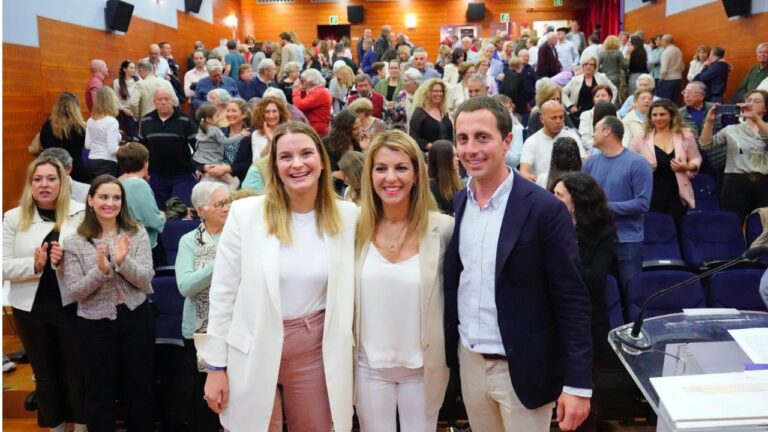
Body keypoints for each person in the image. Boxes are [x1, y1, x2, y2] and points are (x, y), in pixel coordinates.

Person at [197, 121, 358, 432]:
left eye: (306, 153)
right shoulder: (245, 215)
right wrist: (215, 367)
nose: (297, 164)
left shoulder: (349, 217)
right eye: (286, 157)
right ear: (274, 166)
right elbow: (222, 294)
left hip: (316, 351)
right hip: (253, 346)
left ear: (323, 162)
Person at [445, 96, 592, 431]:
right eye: (462, 139)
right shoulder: (460, 202)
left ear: (507, 140)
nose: (471, 149)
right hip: (470, 363)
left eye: (482, 137)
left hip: (523, 368)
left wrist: (578, 383)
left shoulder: (544, 209)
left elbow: (572, 299)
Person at [353, 130, 452, 430]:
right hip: (368, 367)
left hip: (423, 369)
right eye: (381, 168)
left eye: (401, 168)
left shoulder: (444, 229)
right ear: (369, 175)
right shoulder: (352, 227)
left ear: (417, 175)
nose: (390, 178)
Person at [62, 175, 155, 432]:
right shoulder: (74, 241)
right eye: (104, 197)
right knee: (99, 392)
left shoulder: (136, 232)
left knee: (140, 388)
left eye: (116, 198)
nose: (110, 203)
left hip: (136, 319)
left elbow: (146, 279)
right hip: (94, 326)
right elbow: (75, 291)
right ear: (90, 200)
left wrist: (124, 263)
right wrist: (100, 272)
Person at [3, 157, 87, 432]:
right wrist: (35, 265)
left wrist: (69, 260)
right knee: (45, 374)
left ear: (62, 182)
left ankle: (83, 425)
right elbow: (3, 266)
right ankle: (56, 426)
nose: (44, 184)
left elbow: (93, 257)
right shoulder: (14, 217)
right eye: (37, 179)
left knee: (77, 370)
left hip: (72, 304)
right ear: (30, 184)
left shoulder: (80, 212)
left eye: (51, 178)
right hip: (31, 309)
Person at [551, 171, 616, 432]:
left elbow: (594, 279)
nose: (551, 200)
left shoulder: (603, 232)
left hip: (589, 326)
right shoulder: (548, 228)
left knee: (584, 398)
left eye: (558, 195)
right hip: (551, 325)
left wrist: (562, 256)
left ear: (576, 200)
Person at [175, 181, 230, 432]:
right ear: (201, 209)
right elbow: (186, 286)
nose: (227, 208)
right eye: (220, 204)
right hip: (200, 331)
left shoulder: (239, 234)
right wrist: (220, 262)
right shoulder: (189, 241)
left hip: (237, 327)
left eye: (228, 202)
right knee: (205, 396)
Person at [583, 116, 652, 293]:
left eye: (596, 129)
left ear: (607, 131)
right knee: (601, 293)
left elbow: (642, 203)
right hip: (596, 239)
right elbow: (583, 197)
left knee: (632, 293)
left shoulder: (638, 163)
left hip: (627, 240)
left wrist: (604, 208)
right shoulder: (590, 163)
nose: (593, 133)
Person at [630, 99, 701, 230]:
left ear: (671, 115)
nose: (658, 118)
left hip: (677, 192)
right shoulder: (641, 136)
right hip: (651, 192)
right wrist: (644, 168)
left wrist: (687, 167)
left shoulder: (685, 135)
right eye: (654, 115)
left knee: (677, 229)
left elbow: (696, 158)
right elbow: (630, 161)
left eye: (662, 114)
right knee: (656, 230)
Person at [699, 89, 768, 222]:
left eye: (757, 101)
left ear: (765, 108)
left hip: (764, 182)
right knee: (733, 222)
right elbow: (705, 145)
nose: (751, 104)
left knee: (763, 225)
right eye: (748, 101)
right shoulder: (732, 129)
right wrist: (709, 122)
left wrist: (757, 119)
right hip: (735, 182)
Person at [138, 88, 197, 209]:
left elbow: (197, 146)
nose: (163, 102)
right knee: (160, 212)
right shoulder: (146, 120)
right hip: (156, 176)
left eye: (167, 99)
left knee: (179, 212)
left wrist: (199, 168)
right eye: (160, 99)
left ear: (173, 101)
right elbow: (140, 149)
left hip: (183, 175)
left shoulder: (184, 119)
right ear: (154, 102)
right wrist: (142, 171)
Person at [117, 143, 167, 266]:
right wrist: (163, 215)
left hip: (125, 245)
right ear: (145, 163)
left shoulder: (117, 181)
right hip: (145, 248)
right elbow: (154, 221)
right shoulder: (139, 185)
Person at [520, 100, 584, 182]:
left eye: (561, 117)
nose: (558, 121)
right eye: (553, 118)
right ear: (542, 119)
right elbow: (524, 173)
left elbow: (583, 167)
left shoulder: (573, 137)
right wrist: (542, 181)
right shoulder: (531, 141)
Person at [193, 104, 249, 187]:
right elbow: (226, 141)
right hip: (215, 163)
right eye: (216, 116)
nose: (219, 118)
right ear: (208, 119)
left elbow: (197, 146)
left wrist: (202, 165)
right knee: (234, 182)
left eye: (233, 111)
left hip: (206, 163)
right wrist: (241, 135)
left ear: (244, 114)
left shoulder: (201, 129)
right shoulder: (216, 130)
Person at [39, 92, 91, 183]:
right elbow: (87, 146)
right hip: (76, 169)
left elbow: (42, 144)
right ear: (76, 108)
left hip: (52, 169)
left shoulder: (48, 125)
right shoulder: (80, 127)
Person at [562, 55, 618, 120]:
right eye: (586, 64)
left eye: (591, 64)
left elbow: (614, 89)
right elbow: (563, 93)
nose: (588, 66)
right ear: (582, 66)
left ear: (595, 66)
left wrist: (610, 104)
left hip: (600, 112)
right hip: (579, 113)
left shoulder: (602, 77)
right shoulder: (575, 80)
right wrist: (570, 106)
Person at [85, 86, 122, 177]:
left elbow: (88, 145)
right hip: (107, 162)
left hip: (92, 160)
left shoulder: (90, 120)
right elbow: (112, 149)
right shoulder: (112, 121)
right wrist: (127, 149)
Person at [409, 79, 453, 152]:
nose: (439, 94)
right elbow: (414, 138)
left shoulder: (444, 111)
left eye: (441, 91)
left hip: (446, 155)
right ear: (427, 93)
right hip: (427, 156)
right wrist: (433, 147)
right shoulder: (419, 112)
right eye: (435, 91)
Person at [130, 59, 179, 125]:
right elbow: (175, 102)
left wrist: (138, 117)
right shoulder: (166, 83)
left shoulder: (140, 85)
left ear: (140, 70)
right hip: (166, 120)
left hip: (147, 121)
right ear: (153, 70)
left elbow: (133, 103)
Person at [293, 68, 333, 136]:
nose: (302, 83)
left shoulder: (319, 92)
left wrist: (295, 91)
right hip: (314, 128)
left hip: (317, 130)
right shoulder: (318, 91)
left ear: (310, 81)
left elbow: (300, 106)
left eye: (303, 81)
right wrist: (302, 91)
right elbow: (304, 103)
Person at [427, 139, 462, 215]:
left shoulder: (457, 182)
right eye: (453, 156)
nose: (457, 159)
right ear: (443, 160)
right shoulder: (430, 187)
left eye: (457, 155)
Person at [578, 86, 615, 151]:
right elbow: (584, 139)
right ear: (593, 99)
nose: (600, 98)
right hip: (593, 149)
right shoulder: (586, 115)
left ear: (609, 97)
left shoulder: (616, 114)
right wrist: (601, 148)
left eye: (603, 95)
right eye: (597, 96)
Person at [113, 59, 140, 139]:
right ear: (124, 69)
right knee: (131, 135)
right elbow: (116, 99)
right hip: (125, 111)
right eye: (131, 68)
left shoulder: (138, 81)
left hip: (137, 111)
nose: (133, 70)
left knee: (138, 135)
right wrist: (124, 109)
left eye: (134, 68)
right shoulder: (117, 82)